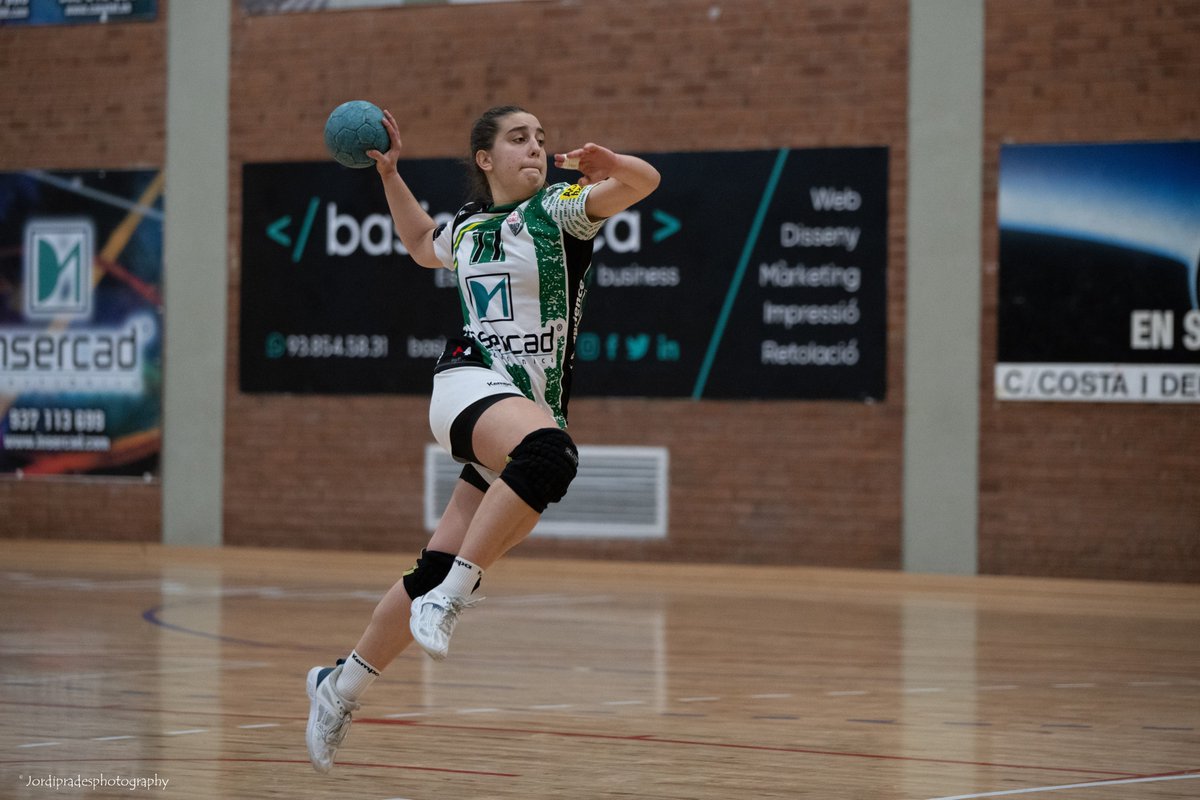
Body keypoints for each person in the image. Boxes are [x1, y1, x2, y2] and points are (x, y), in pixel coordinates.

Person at [305, 104, 660, 773]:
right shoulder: (470, 225)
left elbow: (644, 184)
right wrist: (393, 175)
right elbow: (422, 242)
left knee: (439, 557)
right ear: (485, 159)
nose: (535, 148)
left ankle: (339, 687)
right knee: (550, 454)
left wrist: (615, 167)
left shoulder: (560, 210)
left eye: (541, 139)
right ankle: (455, 596)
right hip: (469, 385)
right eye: (518, 139)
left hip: (522, 408)